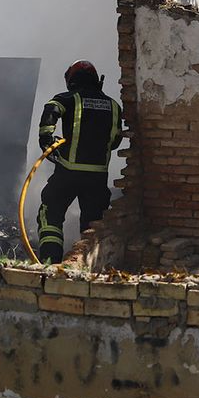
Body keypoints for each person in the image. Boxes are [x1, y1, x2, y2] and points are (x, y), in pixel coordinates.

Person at [35, 60, 123, 264]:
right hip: (97, 178)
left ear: (72, 81)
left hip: (67, 174)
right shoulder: (114, 106)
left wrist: (47, 140)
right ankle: (83, 266)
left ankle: (50, 263)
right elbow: (116, 142)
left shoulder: (69, 99)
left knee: (50, 216)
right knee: (92, 227)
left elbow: (52, 108)